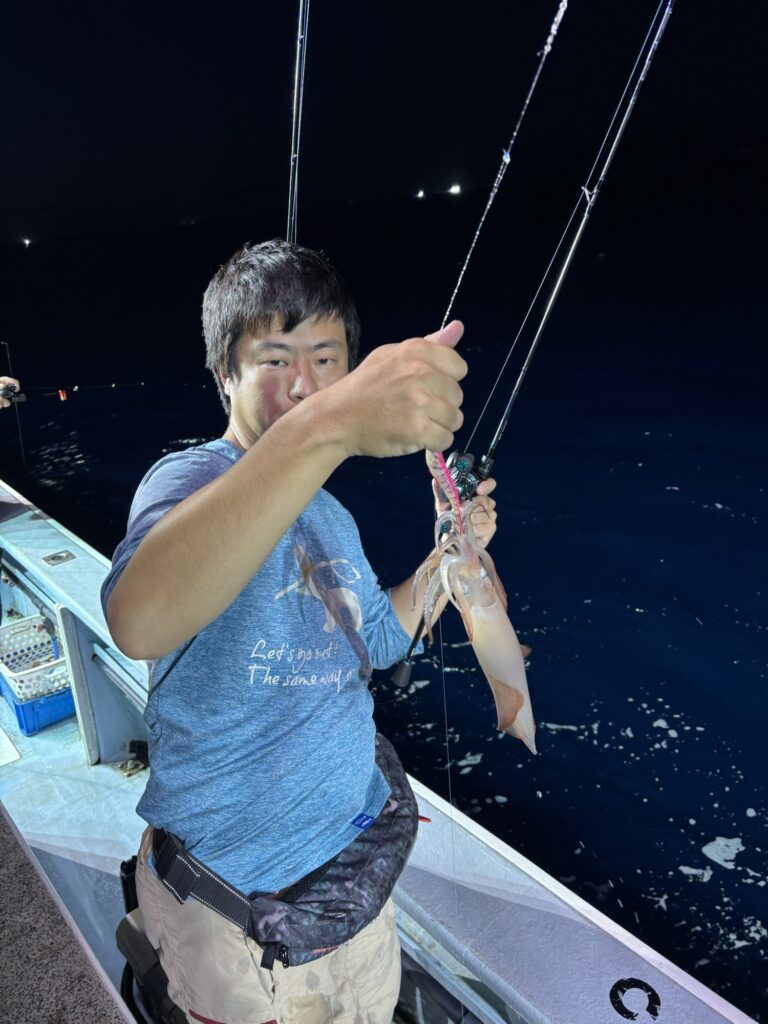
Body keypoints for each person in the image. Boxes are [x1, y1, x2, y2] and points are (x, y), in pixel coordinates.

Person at [102, 239, 498, 1024]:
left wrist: (446, 559)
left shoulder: (331, 515)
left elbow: (377, 639)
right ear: (225, 375)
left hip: (356, 894)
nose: (305, 386)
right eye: (275, 359)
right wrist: (328, 430)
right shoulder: (190, 480)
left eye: (326, 360)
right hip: (237, 921)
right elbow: (137, 619)